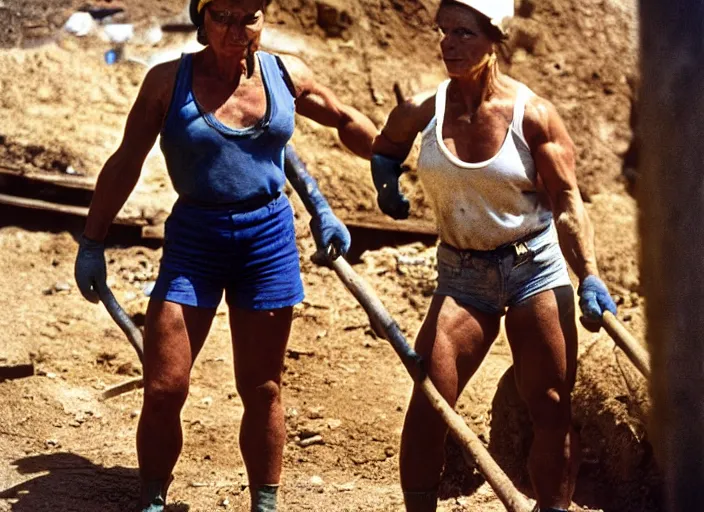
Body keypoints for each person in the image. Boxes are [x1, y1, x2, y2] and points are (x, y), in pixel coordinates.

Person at [74, 0, 377, 510]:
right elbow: (126, 161)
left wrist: (390, 160)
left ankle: (265, 503)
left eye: (249, 16)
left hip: (268, 242)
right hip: (195, 239)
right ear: (202, 18)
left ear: (264, 17)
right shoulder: (166, 83)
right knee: (165, 388)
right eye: (223, 17)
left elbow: (346, 119)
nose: (237, 30)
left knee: (262, 389)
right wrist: (92, 240)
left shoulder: (285, 74)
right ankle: (152, 500)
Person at [370, 1, 617, 511]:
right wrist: (385, 181)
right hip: (462, 276)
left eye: (463, 32)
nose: (448, 44)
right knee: (430, 405)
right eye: (443, 32)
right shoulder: (425, 109)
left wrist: (589, 274)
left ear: (494, 39)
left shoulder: (534, 117)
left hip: (534, 270)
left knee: (550, 407)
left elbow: (568, 205)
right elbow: (386, 143)